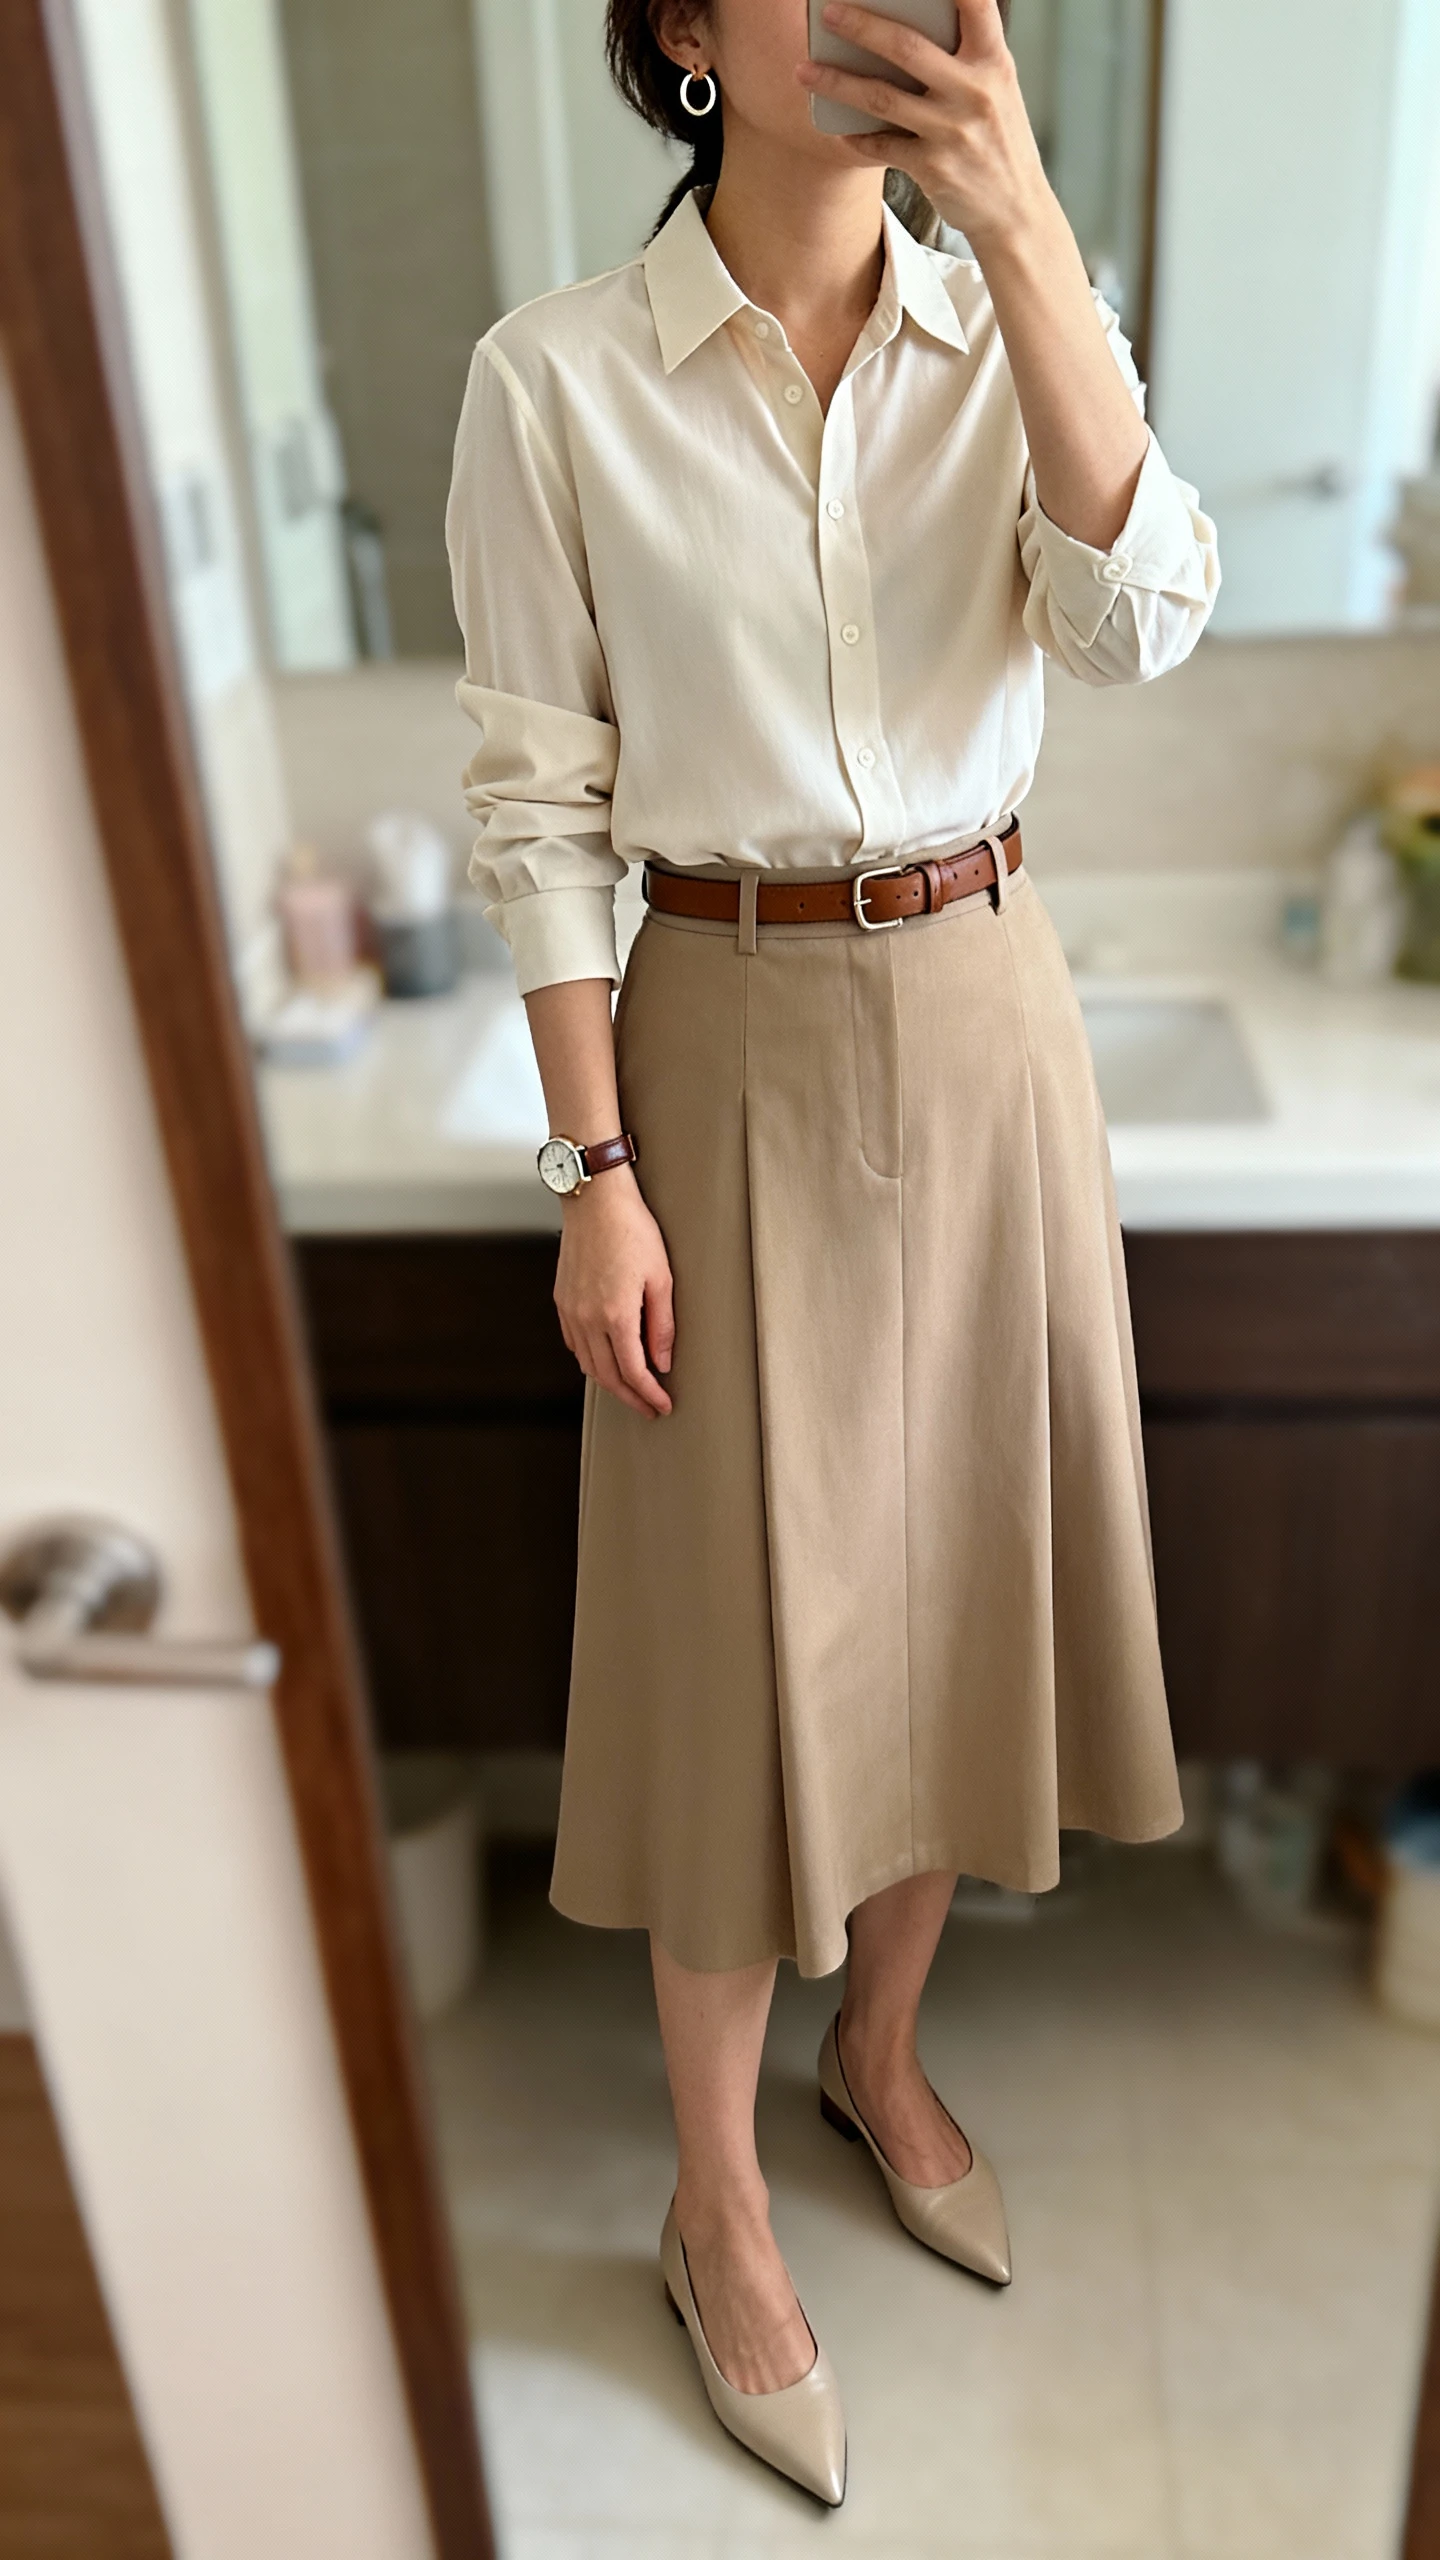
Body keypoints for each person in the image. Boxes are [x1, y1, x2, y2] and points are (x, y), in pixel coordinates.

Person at [446, 0, 1218, 2506]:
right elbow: (539, 802)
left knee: (955, 1591)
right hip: (721, 1027)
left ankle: (877, 2052)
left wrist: (1028, 227)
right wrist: (593, 1168)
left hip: (988, 1009)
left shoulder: (1019, 323)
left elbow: (1143, 618)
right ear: (684, 30)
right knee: (729, 1646)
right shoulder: (557, 380)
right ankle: (717, 2192)